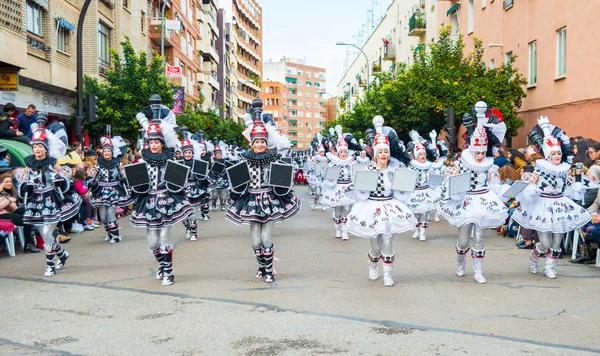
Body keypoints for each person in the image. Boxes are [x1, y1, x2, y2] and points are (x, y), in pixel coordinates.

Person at [226, 99, 301, 283]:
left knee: (266, 238)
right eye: (256, 141)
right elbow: (237, 182)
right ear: (252, 143)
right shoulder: (244, 160)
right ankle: (261, 265)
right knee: (255, 242)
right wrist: (235, 191)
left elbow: (283, 178)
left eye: (262, 141)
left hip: (269, 200)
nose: (259, 144)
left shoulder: (274, 158)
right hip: (251, 201)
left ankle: (269, 270)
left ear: (266, 142)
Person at [437, 102, 509, 284]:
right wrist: (452, 187)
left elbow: (495, 184)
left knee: (479, 237)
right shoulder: (462, 162)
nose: (479, 156)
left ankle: (478, 271)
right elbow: (451, 182)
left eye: (483, 152)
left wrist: (506, 193)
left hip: (483, 200)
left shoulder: (489, 164)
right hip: (466, 200)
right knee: (463, 240)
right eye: (477, 152)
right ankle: (460, 264)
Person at [512, 116, 591, 279]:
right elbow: (528, 188)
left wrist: (576, 185)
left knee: (557, 242)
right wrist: (532, 188)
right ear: (547, 155)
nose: (556, 156)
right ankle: (535, 257)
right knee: (545, 243)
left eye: (558, 153)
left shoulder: (564, 169)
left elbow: (571, 187)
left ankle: (550, 267)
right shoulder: (540, 170)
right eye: (553, 153)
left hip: (560, 205)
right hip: (543, 205)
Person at [346, 116, 417, 286]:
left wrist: (406, 186)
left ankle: (388, 274)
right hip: (371, 207)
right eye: (381, 152)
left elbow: (400, 194)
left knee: (388, 241)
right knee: (376, 246)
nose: (384, 154)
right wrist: (360, 186)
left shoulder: (395, 170)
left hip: (390, 207)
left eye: (386, 151)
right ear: (376, 154)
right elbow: (361, 194)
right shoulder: (367, 169)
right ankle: (373, 265)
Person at [131, 107, 195, 286]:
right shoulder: (141, 162)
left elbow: (180, 182)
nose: (153, 145)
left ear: (162, 143)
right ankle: (162, 264)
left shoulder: (171, 161)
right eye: (151, 142)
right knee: (152, 243)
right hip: (148, 203)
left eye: (156, 142)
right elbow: (137, 185)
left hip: (167, 201)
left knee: (165, 239)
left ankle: (168, 272)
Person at [19, 113, 81, 276]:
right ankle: (62, 254)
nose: (37, 149)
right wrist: (25, 188)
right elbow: (24, 181)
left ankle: (50, 266)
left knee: (47, 233)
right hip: (35, 203)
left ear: (46, 148)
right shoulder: (29, 163)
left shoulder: (53, 163)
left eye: (40, 146)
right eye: (35, 146)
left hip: (51, 201)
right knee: (43, 233)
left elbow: (66, 178)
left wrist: (61, 182)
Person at [89, 134, 131, 243]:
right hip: (101, 192)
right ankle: (110, 233)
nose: (107, 153)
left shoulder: (118, 164)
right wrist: (91, 183)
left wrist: (123, 179)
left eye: (109, 151)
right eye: (105, 151)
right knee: (103, 217)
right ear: (102, 153)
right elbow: (91, 175)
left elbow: (124, 175)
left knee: (110, 214)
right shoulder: (99, 164)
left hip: (114, 191)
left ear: (112, 152)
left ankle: (116, 236)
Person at [321, 125, 356, 240]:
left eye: (345, 152)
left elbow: (356, 175)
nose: (344, 154)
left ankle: (345, 231)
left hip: (349, 189)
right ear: (338, 152)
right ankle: (338, 229)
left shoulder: (352, 163)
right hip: (337, 189)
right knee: (337, 212)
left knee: (347, 210)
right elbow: (328, 178)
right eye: (342, 152)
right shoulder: (333, 163)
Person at [406, 130, 440, 242]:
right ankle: (417, 230)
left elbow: (434, 178)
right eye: (420, 154)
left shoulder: (429, 166)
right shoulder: (411, 167)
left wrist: (436, 180)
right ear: (416, 155)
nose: (422, 156)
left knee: (425, 213)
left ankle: (423, 233)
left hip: (426, 192)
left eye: (424, 154)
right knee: (416, 214)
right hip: (415, 192)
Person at [0, 173, 40, 252]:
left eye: (10, 181)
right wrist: (8, 201)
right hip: (2, 215)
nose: (9, 183)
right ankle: (28, 244)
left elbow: (15, 206)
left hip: (10, 212)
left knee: (27, 210)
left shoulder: (12, 192)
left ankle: (34, 233)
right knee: (27, 220)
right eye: (6, 182)